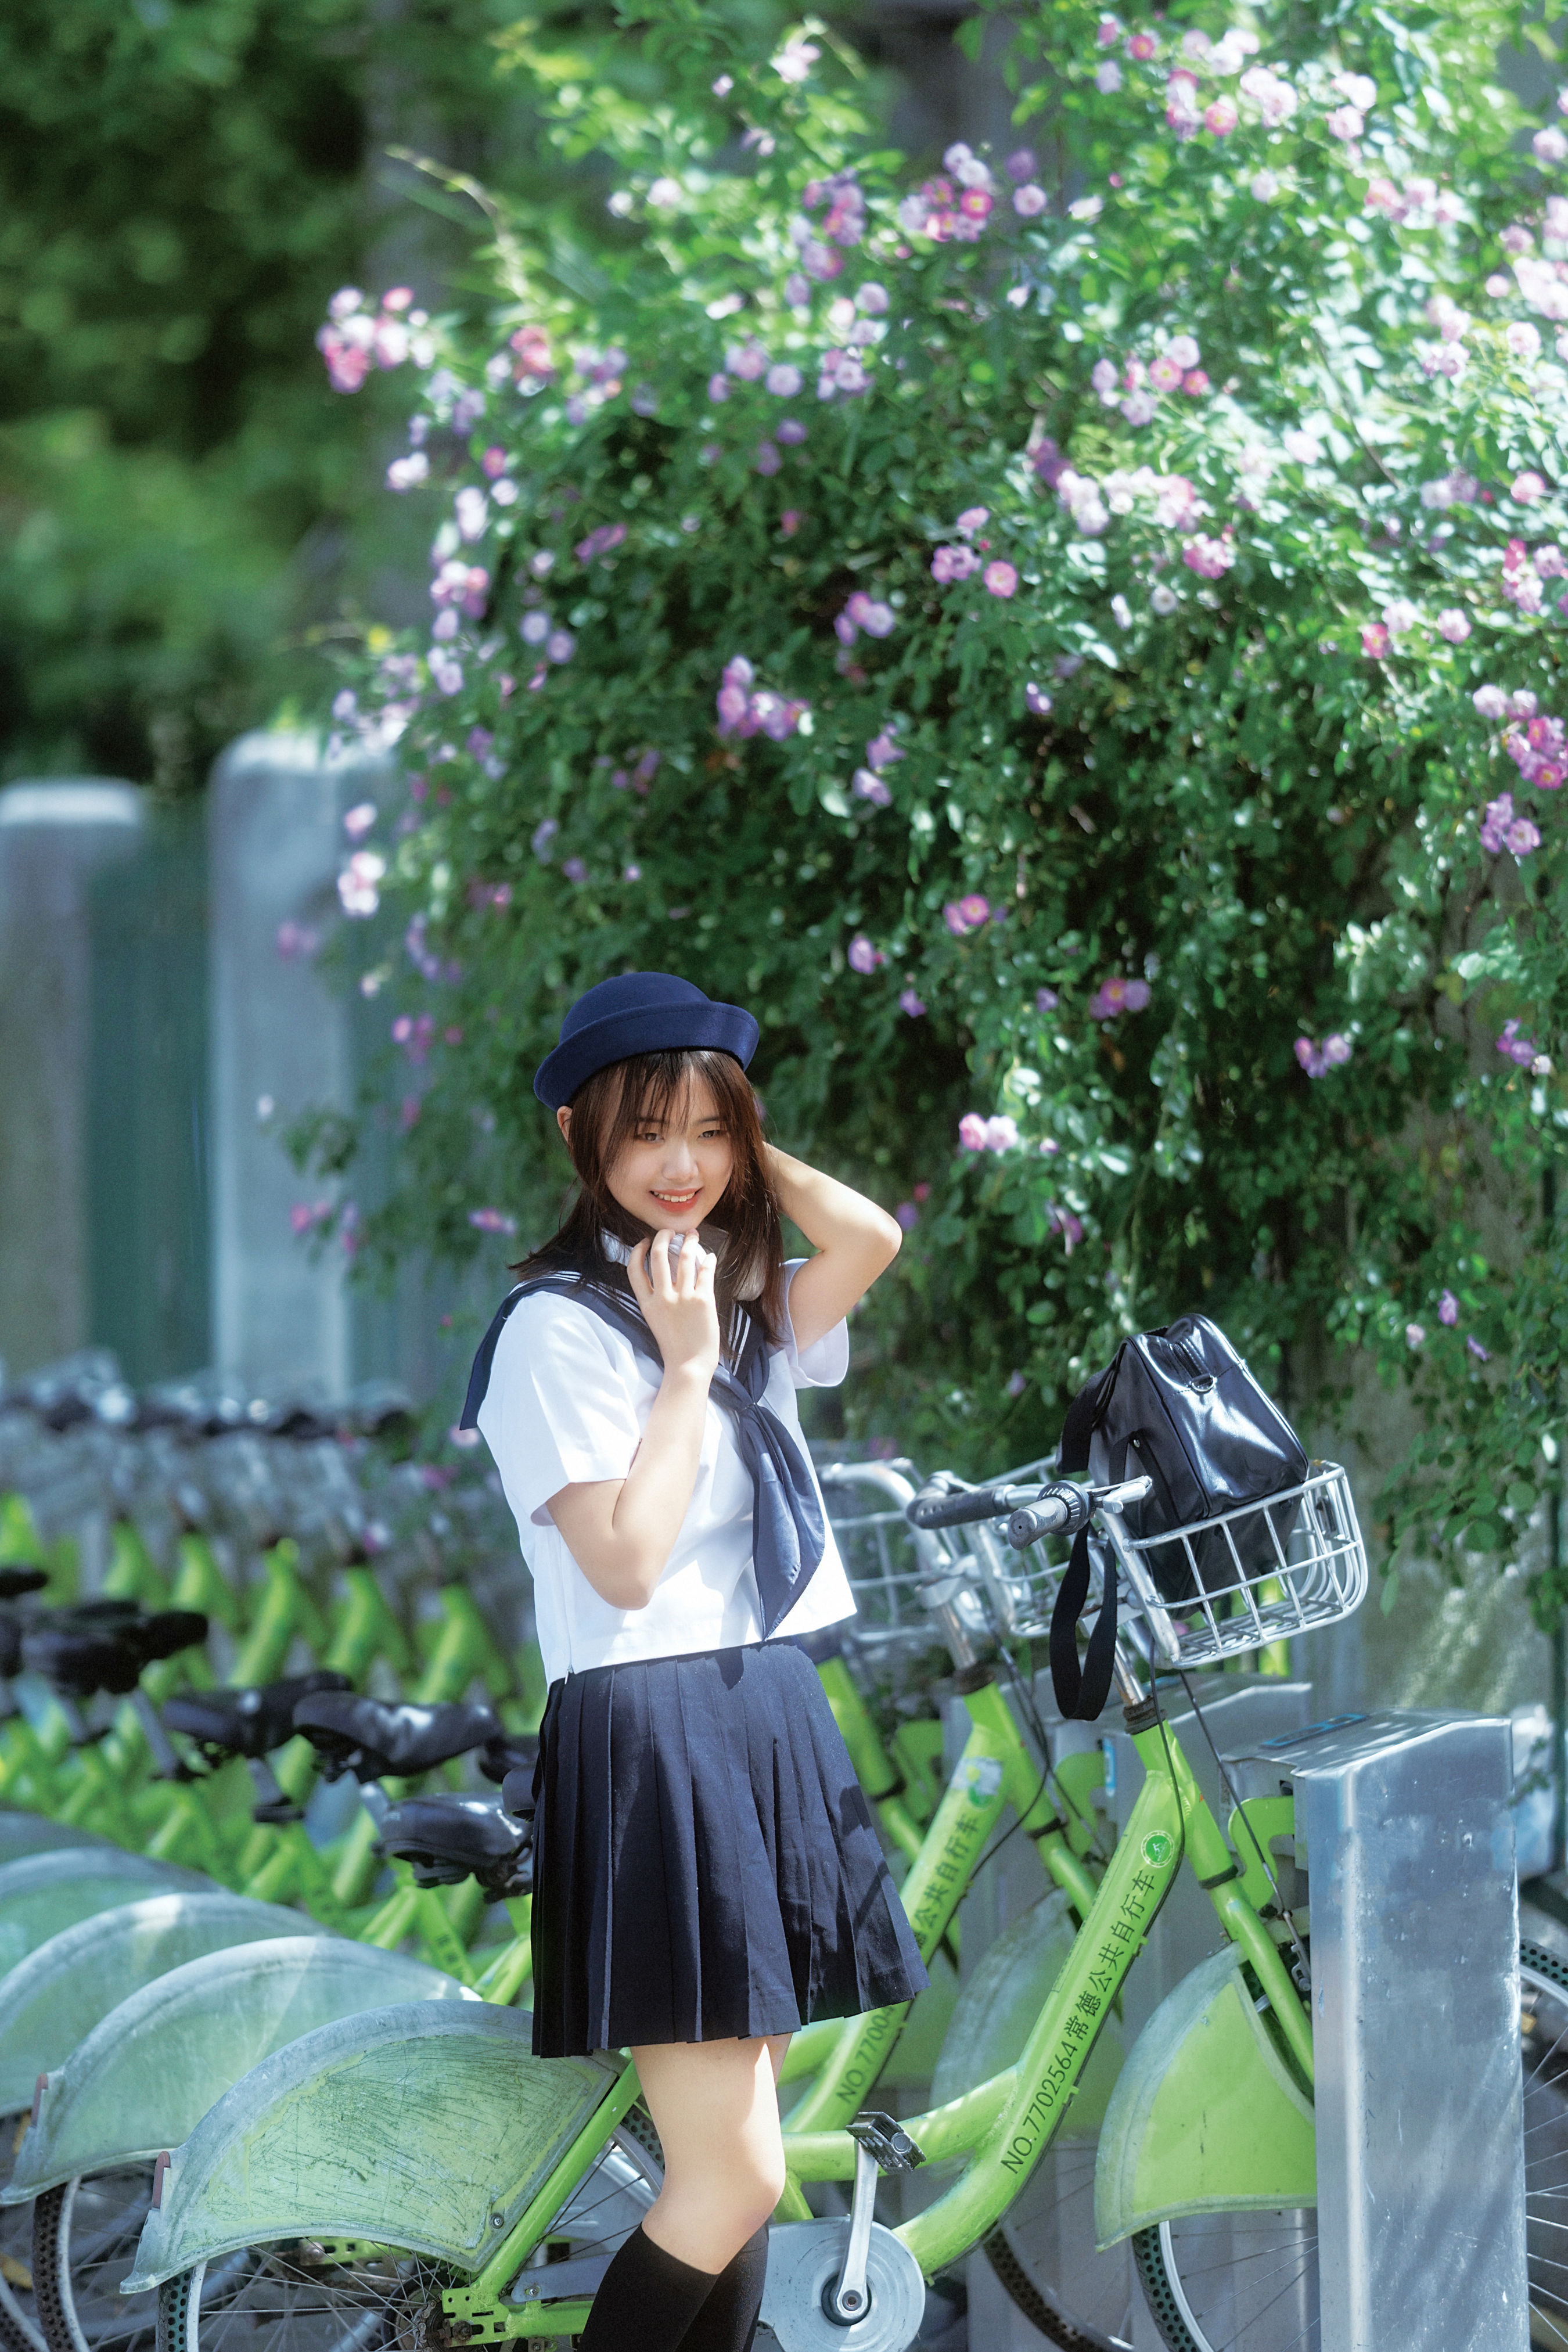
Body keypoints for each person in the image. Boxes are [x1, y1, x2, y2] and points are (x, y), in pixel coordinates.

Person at [462, 970, 927, 2352]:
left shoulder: (730, 1299)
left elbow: (872, 1236)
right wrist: (675, 1369)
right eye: (643, 1132)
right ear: (579, 1141)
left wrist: (729, 1131)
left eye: (707, 1133)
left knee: (731, 2180)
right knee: (737, 2177)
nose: (679, 1167)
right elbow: (625, 1560)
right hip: (654, 1730)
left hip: (759, 1707)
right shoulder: (557, 1333)